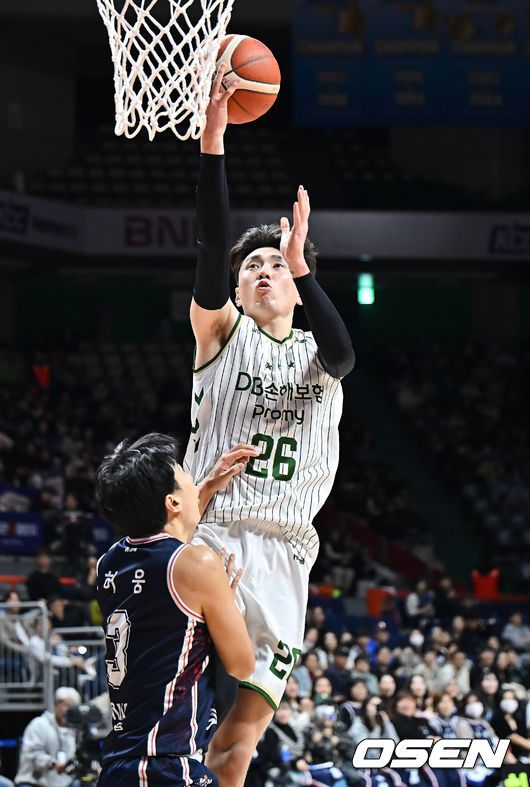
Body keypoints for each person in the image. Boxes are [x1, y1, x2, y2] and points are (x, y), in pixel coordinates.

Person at [184, 64, 355, 787]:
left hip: (287, 551)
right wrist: (215, 136)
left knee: (239, 743)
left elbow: (344, 356)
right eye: (251, 264)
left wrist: (302, 266)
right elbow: (209, 246)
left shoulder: (321, 354)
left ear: (297, 279)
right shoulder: (221, 332)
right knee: (178, 710)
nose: (262, 270)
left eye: (275, 265)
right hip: (213, 532)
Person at [95, 433, 255, 786]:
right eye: (187, 480)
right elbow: (242, 665)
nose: (194, 484)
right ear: (172, 502)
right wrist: (225, 604)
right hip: (164, 766)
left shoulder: (108, 563)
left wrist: (205, 489)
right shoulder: (198, 564)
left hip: (123, 764)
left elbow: (162, 548)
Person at [14, 687, 80, 787]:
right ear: (56, 705)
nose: (70, 710)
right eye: (67, 705)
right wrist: (53, 764)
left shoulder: (74, 729)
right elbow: (32, 754)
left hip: (63, 783)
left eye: (73, 707)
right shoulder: (38, 724)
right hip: (33, 782)